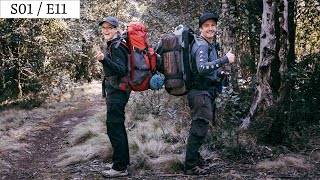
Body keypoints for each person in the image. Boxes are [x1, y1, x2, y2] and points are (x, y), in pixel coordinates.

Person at [184, 12, 235, 175]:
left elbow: (207, 70)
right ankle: (190, 166)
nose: (210, 28)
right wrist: (225, 59)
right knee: (199, 128)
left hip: (204, 91)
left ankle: (195, 159)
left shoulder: (209, 44)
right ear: (200, 29)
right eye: (206, 26)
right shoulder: (202, 45)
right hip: (199, 93)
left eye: (213, 25)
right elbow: (202, 68)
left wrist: (220, 74)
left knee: (199, 127)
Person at [95, 16, 130, 178]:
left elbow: (121, 70)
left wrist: (103, 60)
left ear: (116, 29)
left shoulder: (116, 46)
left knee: (114, 128)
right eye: (104, 28)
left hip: (118, 91)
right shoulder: (116, 44)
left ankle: (120, 167)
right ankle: (122, 163)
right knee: (118, 127)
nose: (106, 30)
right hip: (117, 90)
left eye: (110, 27)